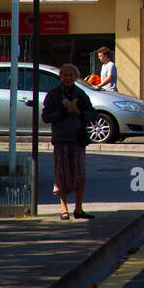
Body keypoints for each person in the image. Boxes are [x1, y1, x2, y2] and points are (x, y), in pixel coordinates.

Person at [42, 63, 94, 220]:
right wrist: (63, 111)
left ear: (76, 77)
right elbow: (46, 117)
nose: (68, 78)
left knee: (79, 175)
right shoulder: (53, 94)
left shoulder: (81, 94)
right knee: (61, 175)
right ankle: (64, 209)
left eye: (71, 75)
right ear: (60, 77)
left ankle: (78, 209)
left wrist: (78, 112)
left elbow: (92, 114)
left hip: (77, 140)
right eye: (65, 75)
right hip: (60, 139)